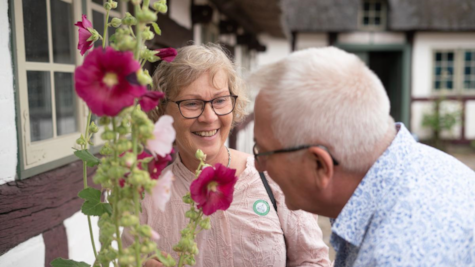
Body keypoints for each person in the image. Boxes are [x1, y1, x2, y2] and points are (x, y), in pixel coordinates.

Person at [251, 47, 475, 267]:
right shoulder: (422, 164)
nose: (258, 165)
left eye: (262, 152)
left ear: (319, 165)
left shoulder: (393, 254)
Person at [122, 44, 331, 267]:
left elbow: (313, 260)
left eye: (220, 100)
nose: (209, 117)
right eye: (191, 103)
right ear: (163, 110)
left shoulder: (273, 178)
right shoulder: (148, 198)